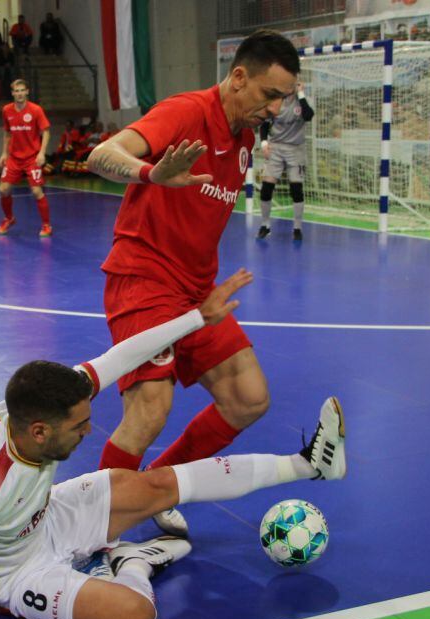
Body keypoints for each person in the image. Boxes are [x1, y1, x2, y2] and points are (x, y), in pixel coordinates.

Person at [0, 269, 348, 619]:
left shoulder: (38, 406)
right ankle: (133, 561)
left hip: (46, 515)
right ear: (40, 432)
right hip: (14, 575)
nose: (90, 431)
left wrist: (196, 318)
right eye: (79, 427)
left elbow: (124, 353)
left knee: (151, 485)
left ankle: (308, 463)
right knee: (135, 616)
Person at [85, 29, 299, 537]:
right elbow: (101, 156)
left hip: (195, 292)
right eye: (270, 95)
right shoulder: (186, 112)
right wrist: (150, 174)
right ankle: (89, 528)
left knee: (248, 397)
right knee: (151, 408)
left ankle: (157, 487)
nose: (275, 109)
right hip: (143, 279)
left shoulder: (244, 138)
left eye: (283, 100)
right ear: (239, 77)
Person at [257, 80, 314, 241]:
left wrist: (301, 94)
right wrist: (264, 143)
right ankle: (265, 225)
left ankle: (297, 228)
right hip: (276, 147)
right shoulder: (275, 101)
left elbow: (309, 116)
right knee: (267, 187)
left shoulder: (301, 101)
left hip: (296, 149)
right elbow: (264, 125)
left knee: (296, 188)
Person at [0, 78, 52, 237]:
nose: (19, 94)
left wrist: (42, 153)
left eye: (22, 90)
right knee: (3, 189)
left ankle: (46, 225)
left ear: (27, 91)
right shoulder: (6, 110)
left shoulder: (36, 110)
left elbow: (46, 131)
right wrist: (4, 153)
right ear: (12, 93)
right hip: (14, 158)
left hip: (31, 158)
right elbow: (7, 133)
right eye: (16, 91)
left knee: (36, 191)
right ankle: (9, 218)